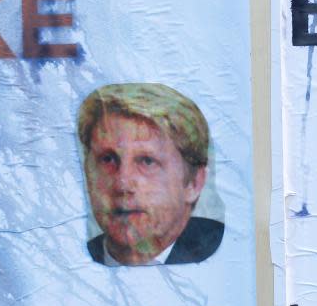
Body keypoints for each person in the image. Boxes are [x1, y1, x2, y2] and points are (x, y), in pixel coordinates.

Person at [77, 83, 223, 266]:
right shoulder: (70, 256)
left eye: (147, 161)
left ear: (194, 182)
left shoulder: (225, 256)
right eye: (108, 159)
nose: (123, 184)